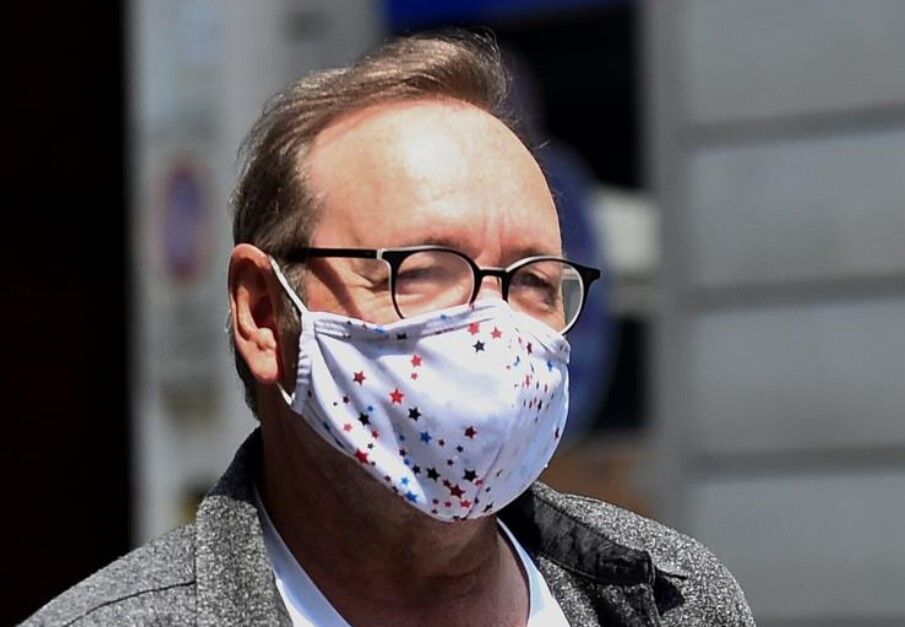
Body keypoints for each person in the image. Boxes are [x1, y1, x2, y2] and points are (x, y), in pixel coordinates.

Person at [27, 32, 754, 626]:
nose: (495, 326)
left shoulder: (673, 601)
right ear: (262, 313)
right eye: (424, 269)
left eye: (534, 279)